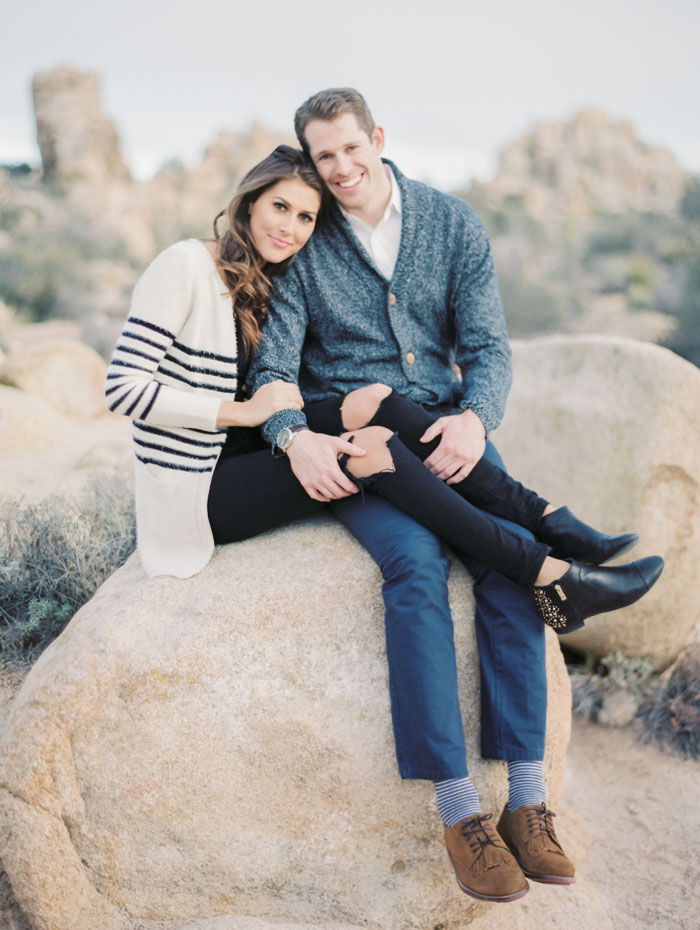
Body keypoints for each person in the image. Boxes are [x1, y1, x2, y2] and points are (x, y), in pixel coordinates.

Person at [106, 141, 662, 904]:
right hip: (197, 486)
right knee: (377, 461)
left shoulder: (287, 271)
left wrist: (458, 417)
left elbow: (479, 347)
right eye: (281, 208)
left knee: (373, 406)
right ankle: (550, 562)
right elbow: (123, 385)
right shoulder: (184, 265)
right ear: (247, 200)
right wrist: (260, 417)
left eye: (306, 215)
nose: (294, 227)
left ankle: (545, 544)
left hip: (254, 444)